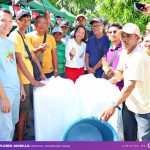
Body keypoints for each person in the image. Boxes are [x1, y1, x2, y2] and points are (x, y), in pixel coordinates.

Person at [100, 23, 150, 141]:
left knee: (144, 140)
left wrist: (113, 105)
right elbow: (120, 74)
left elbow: (130, 85)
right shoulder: (124, 52)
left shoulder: (138, 56)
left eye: (128, 36)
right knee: (129, 138)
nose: (124, 39)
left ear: (138, 38)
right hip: (129, 103)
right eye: (123, 35)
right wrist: (109, 71)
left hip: (143, 107)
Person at [9, 9, 46, 141]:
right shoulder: (15, 36)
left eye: (28, 20)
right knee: (22, 113)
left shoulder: (24, 36)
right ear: (16, 21)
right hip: (22, 80)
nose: (25, 22)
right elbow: (18, 61)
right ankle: (19, 141)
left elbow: (32, 56)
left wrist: (41, 74)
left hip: (29, 79)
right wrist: (33, 80)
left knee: (25, 112)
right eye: (22, 19)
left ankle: (22, 134)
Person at [0, 8, 25, 141]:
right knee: (5, 129)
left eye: (10, 21)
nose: (7, 24)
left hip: (15, 91)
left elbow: (13, 66)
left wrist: (21, 86)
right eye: (3, 20)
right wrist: (3, 97)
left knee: (12, 124)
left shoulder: (10, 42)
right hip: (4, 92)